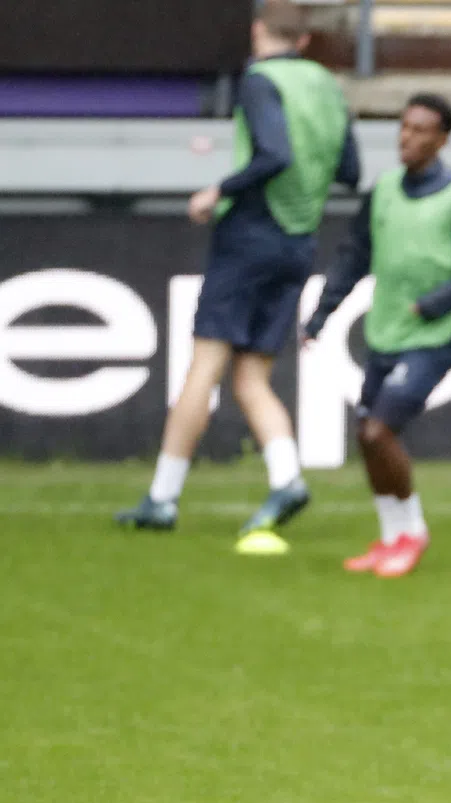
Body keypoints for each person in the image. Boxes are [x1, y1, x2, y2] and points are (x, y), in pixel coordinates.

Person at [117, 0, 358, 538]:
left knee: (204, 365)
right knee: (252, 376)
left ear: (257, 32)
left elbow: (273, 153)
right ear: (306, 40)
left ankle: (162, 498)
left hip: (250, 234)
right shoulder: (328, 87)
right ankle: (287, 478)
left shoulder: (259, 80)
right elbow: (350, 169)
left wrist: (216, 190)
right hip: (298, 239)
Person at [301, 93, 451, 577]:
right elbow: (354, 255)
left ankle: (412, 532)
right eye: (404, 126)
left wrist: (439, 301)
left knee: (380, 431)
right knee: (366, 436)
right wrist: (322, 315)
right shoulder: (384, 190)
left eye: (420, 130)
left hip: (435, 334)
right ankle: (390, 534)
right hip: (385, 328)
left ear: (441, 139)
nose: (407, 137)